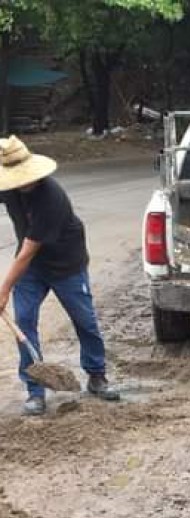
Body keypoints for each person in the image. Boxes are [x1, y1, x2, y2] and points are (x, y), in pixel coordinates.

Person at [0, 135, 119, 416]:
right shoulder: (9, 187)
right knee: (25, 323)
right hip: (31, 268)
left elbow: (27, 251)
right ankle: (35, 390)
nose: (23, 182)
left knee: (85, 320)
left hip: (66, 264)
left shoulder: (50, 198)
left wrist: (4, 289)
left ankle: (96, 375)